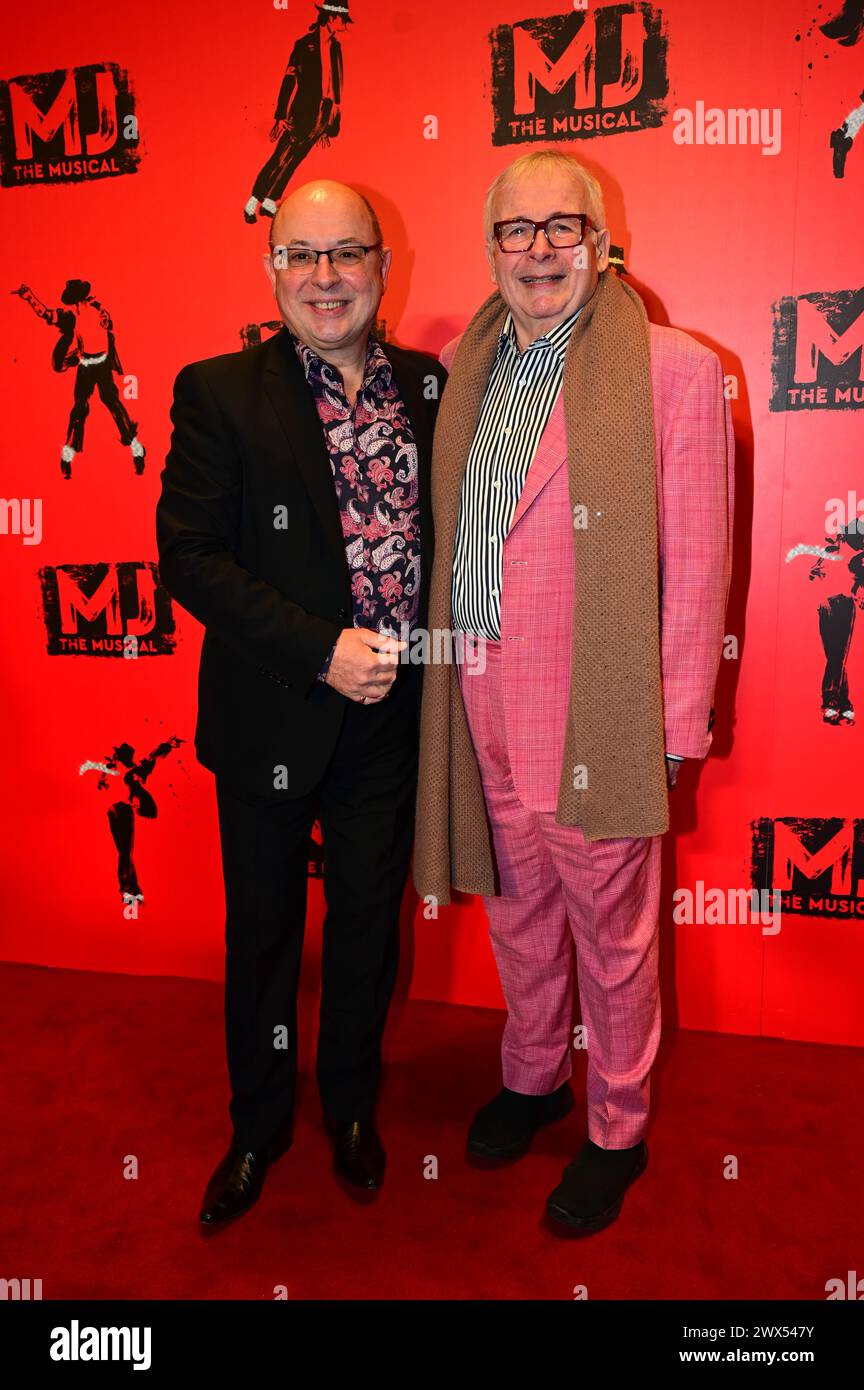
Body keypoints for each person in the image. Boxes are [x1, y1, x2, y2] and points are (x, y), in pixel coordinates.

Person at [413, 150, 735, 1234]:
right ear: (492, 247)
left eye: (562, 227)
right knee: (516, 910)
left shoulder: (675, 370)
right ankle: (533, 1072)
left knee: (615, 931)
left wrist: (675, 723)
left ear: (601, 243)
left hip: (597, 709)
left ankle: (616, 1126)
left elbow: (695, 567)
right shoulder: (464, 362)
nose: (538, 248)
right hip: (477, 694)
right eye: (516, 230)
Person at [156, 179, 445, 1230]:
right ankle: (258, 1126)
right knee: (267, 933)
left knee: (368, 928)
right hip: (274, 710)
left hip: (390, 721)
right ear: (272, 269)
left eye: (347, 254)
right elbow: (189, 557)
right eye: (302, 255)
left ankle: (353, 1111)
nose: (326, 277)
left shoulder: (428, 388)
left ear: (381, 264)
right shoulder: (220, 390)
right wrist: (321, 649)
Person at [243, 2, 351, 224]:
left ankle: (271, 201)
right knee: (280, 156)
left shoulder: (336, 47)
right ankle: (253, 201)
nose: (345, 25)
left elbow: (337, 87)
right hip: (301, 112)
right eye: (342, 20)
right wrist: (281, 115)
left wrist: (331, 122)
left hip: (323, 114)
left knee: (296, 159)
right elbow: (289, 79)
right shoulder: (304, 45)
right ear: (331, 18)